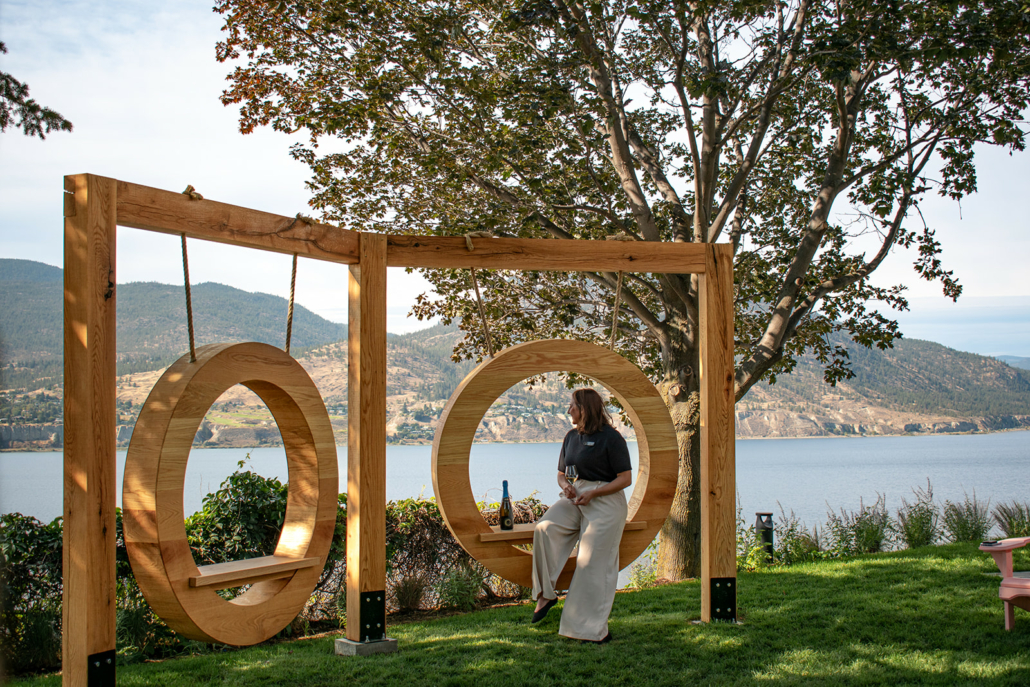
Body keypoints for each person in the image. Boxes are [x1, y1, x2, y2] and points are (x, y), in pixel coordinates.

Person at [530, 388, 632, 643]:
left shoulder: (612, 438)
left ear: (585, 408)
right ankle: (546, 593)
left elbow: (625, 479)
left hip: (606, 498)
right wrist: (565, 486)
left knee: (591, 561)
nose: (568, 410)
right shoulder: (570, 437)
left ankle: (589, 630)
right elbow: (561, 473)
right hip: (578, 493)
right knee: (545, 528)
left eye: (572, 406)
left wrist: (595, 494)